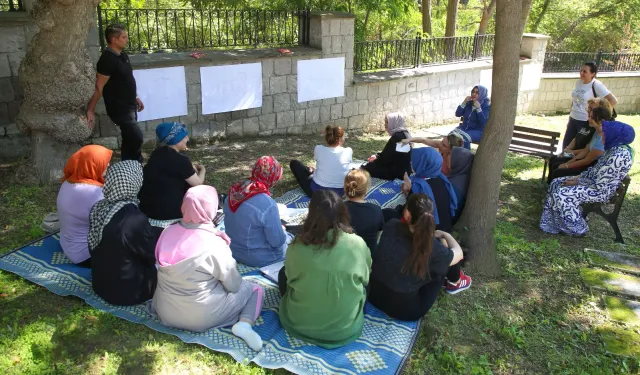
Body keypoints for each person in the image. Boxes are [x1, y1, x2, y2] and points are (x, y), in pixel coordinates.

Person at [152, 186, 264, 351]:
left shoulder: (167, 232)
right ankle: (244, 325)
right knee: (255, 289)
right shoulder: (213, 243)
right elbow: (234, 285)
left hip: (164, 310)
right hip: (200, 316)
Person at [278, 190, 371, 348]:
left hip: (298, 323)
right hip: (345, 329)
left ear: (311, 214)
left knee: (282, 275)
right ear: (343, 213)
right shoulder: (358, 244)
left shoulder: (297, 246)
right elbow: (365, 278)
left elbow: (290, 276)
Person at [369, 194, 470, 321]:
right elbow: (458, 254)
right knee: (445, 258)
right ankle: (455, 283)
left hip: (374, 295)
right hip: (406, 311)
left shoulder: (391, 225)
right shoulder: (434, 248)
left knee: (440, 258)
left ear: (406, 213)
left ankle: (454, 281)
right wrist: (445, 235)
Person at [540, 120, 635, 237]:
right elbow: (595, 171)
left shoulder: (618, 156)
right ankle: (555, 223)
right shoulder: (613, 149)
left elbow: (600, 184)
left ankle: (578, 228)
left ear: (615, 135)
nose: (602, 135)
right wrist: (578, 178)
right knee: (556, 182)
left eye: (605, 133)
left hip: (600, 191)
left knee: (561, 193)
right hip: (593, 183)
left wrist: (577, 181)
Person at [88, 160, 164, 306]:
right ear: (134, 183)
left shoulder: (99, 207)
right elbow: (151, 254)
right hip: (127, 291)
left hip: (100, 284)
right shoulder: (133, 219)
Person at [87, 24, 145, 163]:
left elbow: (127, 79)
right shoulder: (107, 60)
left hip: (130, 104)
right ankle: (136, 163)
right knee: (136, 136)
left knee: (129, 137)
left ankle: (128, 164)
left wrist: (136, 97)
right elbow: (98, 87)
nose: (127, 39)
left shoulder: (122, 55)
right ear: (114, 39)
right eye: (124, 37)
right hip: (118, 107)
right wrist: (90, 110)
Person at [224, 156, 291, 267]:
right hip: (258, 258)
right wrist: (282, 230)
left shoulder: (235, 191)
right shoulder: (267, 204)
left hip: (234, 250)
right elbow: (277, 242)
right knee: (289, 238)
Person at [56, 145, 113, 266]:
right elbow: (112, 224)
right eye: (104, 162)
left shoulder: (68, 182)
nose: (108, 165)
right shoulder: (93, 192)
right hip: (85, 254)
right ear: (93, 164)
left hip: (67, 245)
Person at [138, 122, 206, 220]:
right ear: (177, 139)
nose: (188, 139)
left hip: (147, 209)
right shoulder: (181, 160)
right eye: (185, 136)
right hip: (169, 214)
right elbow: (198, 183)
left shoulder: (156, 153)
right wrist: (203, 170)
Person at [385, 147, 458, 233]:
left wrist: (408, 190)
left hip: (430, 231)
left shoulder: (419, 186)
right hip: (446, 227)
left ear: (422, 164)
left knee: (389, 214)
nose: (411, 163)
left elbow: (411, 209)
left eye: (415, 160)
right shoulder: (441, 177)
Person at [550, 97, 613, 181]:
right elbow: (579, 140)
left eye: (592, 109)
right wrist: (567, 150)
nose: (588, 111)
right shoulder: (595, 128)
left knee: (558, 168)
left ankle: (554, 188)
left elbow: (586, 159)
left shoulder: (601, 134)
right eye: (588, 108)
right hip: (578, 155)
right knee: (555, 159)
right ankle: (550, 186)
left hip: (587, 164)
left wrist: (567, 163)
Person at [561, 62, 617, 150]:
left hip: (585, 121)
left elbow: (613, 100)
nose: (581, 73)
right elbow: (575, 99)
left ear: (592, 74)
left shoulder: (596, 85)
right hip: (573, 118)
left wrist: (598, 115)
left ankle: (573, 164)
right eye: (581, 70)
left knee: (580, 146)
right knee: (566, 145)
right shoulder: (578, 82)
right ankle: (562, 162)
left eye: (585, 71)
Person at [290, 125, 353, 197]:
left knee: (294, 163)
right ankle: (310, 170)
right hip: (340, 193)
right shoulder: (348, 151)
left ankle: (309, 170)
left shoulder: (319, 149)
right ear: (341, 139)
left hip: (317, 192)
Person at [344, 169, 384, 254]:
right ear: (366, 190)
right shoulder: (376, 210)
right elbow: (378, 236)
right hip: (368, 256)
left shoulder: (337, 209)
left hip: (344, 255)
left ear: (345, 188)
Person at [362, 113, 412, 180]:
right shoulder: (406, 133)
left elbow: (386, 159)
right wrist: (377, 156)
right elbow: (391, 153)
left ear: (394, 122)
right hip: (406, 170)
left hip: (397, 172)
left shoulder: (397, 137)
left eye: (387, 122)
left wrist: (374, 161)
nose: (385, 125)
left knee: (369, 167)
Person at [447, 147, 474, 222]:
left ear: (457, 161)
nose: (447, 157)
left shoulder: (453, 186)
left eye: (451, 155)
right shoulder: (463, 176)